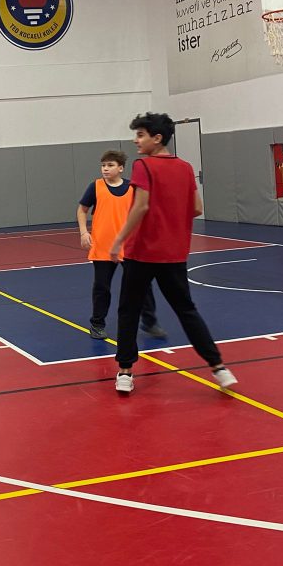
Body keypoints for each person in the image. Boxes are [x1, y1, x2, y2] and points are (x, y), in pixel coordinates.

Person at [109, 112, 238, 395]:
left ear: (157, 138)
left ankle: (125, 371)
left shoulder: (143, 166)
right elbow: (197, 208)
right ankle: (219, 368)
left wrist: (118, 241)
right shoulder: (185, 167)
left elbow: (141, 206)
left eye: (140, 135)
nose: (136, 140)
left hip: (141, 254)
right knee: (187, 311)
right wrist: (171, 219)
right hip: (175, 255)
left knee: (129, 311)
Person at [77, 149, 166, 341]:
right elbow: (82, 210)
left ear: (121, 168)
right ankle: (97, 324)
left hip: (130, 247)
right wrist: (84, 232)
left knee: (143, 285)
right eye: (103, 165)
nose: (105, 169)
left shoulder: (133, 188)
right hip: (103, 247)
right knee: (102, 288)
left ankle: (150, 322)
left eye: (110, 165)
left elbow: (143, 212)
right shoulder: (95, 187)